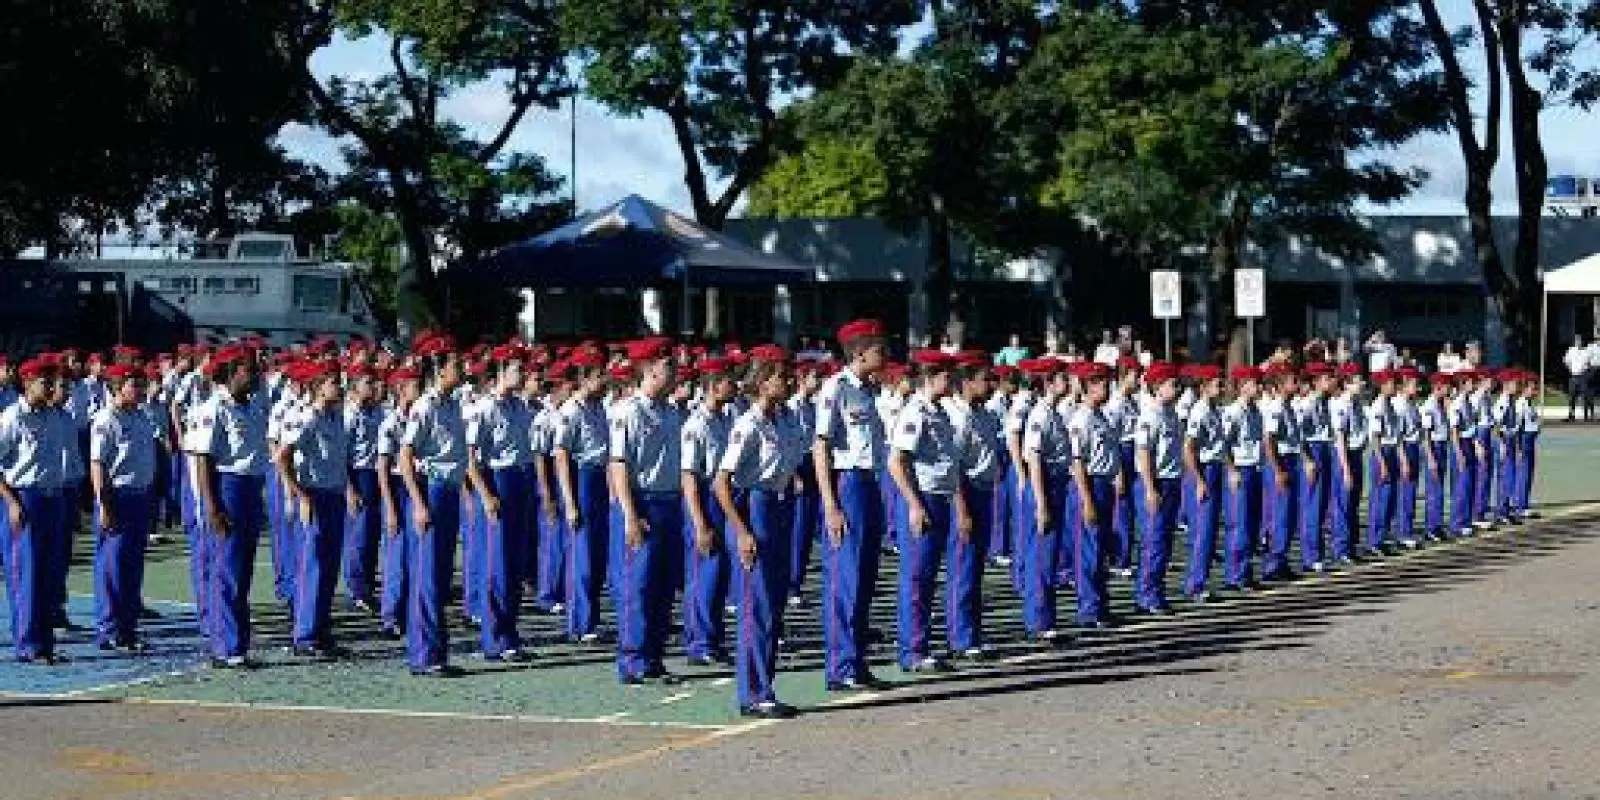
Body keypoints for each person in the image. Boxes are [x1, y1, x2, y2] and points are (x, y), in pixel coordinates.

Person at [713, 352, 807, 719]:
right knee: (757, 604)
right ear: (763, 381)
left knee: (775, 603)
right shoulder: (747, 425)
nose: (788, 381)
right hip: (757, 507)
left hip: (781, 506)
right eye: (781, 375)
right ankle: (753, 692)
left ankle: (765, 685)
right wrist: (741, 530)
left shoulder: (786, 419)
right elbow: (721, 483)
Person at [813, 319, 891, 691]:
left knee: (865, 579)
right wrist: (830, 504)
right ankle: (840, 666)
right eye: (878, 347)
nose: (885, 352)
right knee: (845, 579)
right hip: (847, 484)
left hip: (869, 483)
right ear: (859, 352)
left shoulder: (868, 391)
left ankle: (856, 660)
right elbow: (821, 447)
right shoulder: (837, 389)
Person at [185, 346, 269, 669]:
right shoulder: (214, 408)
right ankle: (226, 646)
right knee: (227, 569)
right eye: (249, 370)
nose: (256, 376)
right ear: (233, 372)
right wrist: (213, 506)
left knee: (243, 570)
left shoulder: (250, 408)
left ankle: (238, 643)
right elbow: (204, 460)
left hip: (249, 487)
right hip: (228, 486)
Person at [608, 337, 685, 685]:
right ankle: (634, 659)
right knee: (637, 586)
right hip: (642, 502)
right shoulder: (628, 411)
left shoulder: (670, 411)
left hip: (669, 501)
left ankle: (654, 656)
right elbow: (619, 466)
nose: (675, 370)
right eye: (669, 364)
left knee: (664, 586)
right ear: (651, 368)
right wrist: (629, 514)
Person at [398, 341, 469, 677]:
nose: (462, 367)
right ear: (440, 369)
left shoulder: (453, 405)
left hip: (450, 488)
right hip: (432, 488)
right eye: (456, 363)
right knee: (427, 575)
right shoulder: (423, 407)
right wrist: (418, 502)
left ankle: (435, 650)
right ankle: (424, 655)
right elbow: (405, 456)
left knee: (439, 576)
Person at [274, 361, 353, 661]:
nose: (340, 385)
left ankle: (322, 630)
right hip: (315, 494)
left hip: (333, 494)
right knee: (313, 567)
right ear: (319, 386)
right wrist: (300, 495)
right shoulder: (306, 417)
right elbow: (282, 458)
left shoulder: (335, 417)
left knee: (330, 568)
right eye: (333, 381)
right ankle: (304, 634)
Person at [463, 345, 536, 662]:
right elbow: (470, 458)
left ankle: (510, 631)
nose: (523, 375)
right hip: (498, 481)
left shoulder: (520, 408)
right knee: (498, 565)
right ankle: (495, 637)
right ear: (502, 372)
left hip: (519, 480)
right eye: (518, 369)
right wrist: (485, 494)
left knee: (515, 563)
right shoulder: (484, 409)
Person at [552, 346, 611, 644]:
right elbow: (561, 455)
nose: (605, 380)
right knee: (582, 555)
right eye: (599, 375)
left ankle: (591, 618)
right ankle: (579, 622)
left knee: (598, 556)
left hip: (600, 478)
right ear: (585, 377)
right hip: (582, 479)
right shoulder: (570, 411)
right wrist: (570, 502)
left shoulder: (599, 407)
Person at [679, 357, 736, 666]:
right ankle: (698, 642)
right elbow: (689, 476)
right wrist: (700, 522)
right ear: (713, 387)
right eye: (728, 381)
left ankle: (713, 637)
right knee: (705, 574)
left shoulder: (726, 419)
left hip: (722, 495)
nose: (734, 386)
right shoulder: (696, 424)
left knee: (720, 574)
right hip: (703, 499)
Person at [944, 351, 1000, 658]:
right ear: (966, 382)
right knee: (963, 565)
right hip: (964, 490)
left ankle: (973, 631)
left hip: (983, 490)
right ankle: (961, 636)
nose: (991, 384)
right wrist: (961, 508)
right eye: (985, 379)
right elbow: (953, 469)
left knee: (976, 567)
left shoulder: (985, 414)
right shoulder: (956, 415)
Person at [1067, 362, 1123, 625]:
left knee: (1101, 549)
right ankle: (1089, 609)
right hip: (1088, 484)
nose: (1108, 387)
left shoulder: (1101, 416)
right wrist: (1086, 499)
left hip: (1104, 484)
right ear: (1089, 386)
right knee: (1088, 550)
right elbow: (1077, 461)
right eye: (1102, 383)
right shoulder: (1082, 418)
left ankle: (1100, 604)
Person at [1018, 358, 1070, 640]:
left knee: (1049, 556)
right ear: (1049, 383)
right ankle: (1038, 621)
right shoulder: (1040, 415)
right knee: (1041, 555)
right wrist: (1040, 501)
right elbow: (1034, 459)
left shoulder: (1054, 412)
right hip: (1046, 484)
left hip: (1056, 482)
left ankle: (1045, 618)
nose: (1068, 382)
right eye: (1062, 377)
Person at [1132, 362, 1182, 614]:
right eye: (1172, 383)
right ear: (1157, 387)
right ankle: (1147, 594)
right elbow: (1143, 452)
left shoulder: (1170, 412)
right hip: (1157, 481)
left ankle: (1157, 591)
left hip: (1172, 480)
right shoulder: (1150, 414)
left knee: (1165, 541)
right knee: (1154, 541)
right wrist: (1151, 488)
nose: (1177, 387)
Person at [375, 367, 421, 639]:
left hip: (416, 483)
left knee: (416, 554)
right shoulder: (390, 423)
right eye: (415, 385)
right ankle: (391, 615)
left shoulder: (419, 417)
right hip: (397, 487)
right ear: (401, 389)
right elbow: (382, 466)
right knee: (396, 556)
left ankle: (410, 612)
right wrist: (390, 507)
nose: (420, 389)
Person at [1180, 365, 1226, 603]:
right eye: (1217, 383)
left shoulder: (1214, 410)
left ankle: (1200, 580)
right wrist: (1198, 480)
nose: (1222, 387)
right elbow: (1188, 449)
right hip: (1204, 470)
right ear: (1204, 387)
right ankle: (1194, 584)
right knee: (1203, 531)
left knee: (1210, 531)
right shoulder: (1199, 412)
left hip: (1215, 468)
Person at [343, 364, 386, 614]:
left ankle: (367, 585)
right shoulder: (350, 415)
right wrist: (349, 488)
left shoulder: (378, 411)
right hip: (357, 475)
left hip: (375, 474)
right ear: (355, 386)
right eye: (368, 382)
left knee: (371, 536)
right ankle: (357, 589)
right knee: (358, 537)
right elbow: (342, 456)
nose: (374, 386)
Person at [1220, 366, 1264, 592]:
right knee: (1240, 525)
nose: (1260, 387)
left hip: (1255, 468)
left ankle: (1245, 572)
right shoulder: (1233, 412)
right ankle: (1234, 575)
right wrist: (1232, 470)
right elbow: (1223, 444)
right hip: (1241, 470)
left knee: (1253, 524)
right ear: (1244, 386)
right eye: (1255, 383)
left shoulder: (1255, 411)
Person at [1563, 335, 1589, 422]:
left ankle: (1586, 416)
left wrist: (1584, 370)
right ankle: (1571, 415)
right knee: (1572, 396)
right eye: (1577, 341)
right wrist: (1571, 369)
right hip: (1573, 376)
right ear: (1574, 342)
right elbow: (1566, 361)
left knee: (1584, 396)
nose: (1578, 342)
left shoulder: (1585, 351)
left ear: (1582, 342)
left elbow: (1588, 363)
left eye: (1580, 341)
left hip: (1582, 376)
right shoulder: (1571, 351)